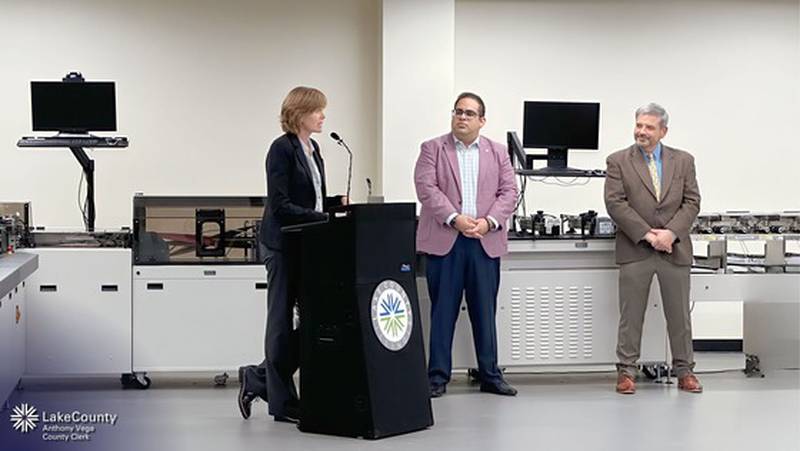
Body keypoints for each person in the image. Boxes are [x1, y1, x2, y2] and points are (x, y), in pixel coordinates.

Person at [238, 86, 347, 422]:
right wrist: (322, 216)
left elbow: (310, 201)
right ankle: (283, 403)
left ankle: (258, 377)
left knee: (316, 318)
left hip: (306, 243)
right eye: (317, 111)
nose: (322, 116)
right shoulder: (281, 149)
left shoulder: (314, 149)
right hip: (281, 245)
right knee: (281, 322)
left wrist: (333, 205)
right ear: (299, 113)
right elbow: (282, 204)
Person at [414, 92, 519, 398]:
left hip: (484, 241)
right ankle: (436, 377)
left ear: (481, 121)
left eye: (469, 113)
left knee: (484, 311)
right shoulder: (432, 148)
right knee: (442, 310)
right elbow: (426, 188)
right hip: (447, 241)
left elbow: (509, 192)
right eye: (458, 112)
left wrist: (488, 222)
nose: (462, 117)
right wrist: (454, 217)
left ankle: (490, 375)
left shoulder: (498, 152)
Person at [604, 102, 703, 395]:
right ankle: (626, 372)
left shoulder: (684, 161)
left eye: (649, 127)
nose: (641, 132)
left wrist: (671, 233)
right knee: (631, 315)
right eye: (638, 125)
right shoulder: (618, 161)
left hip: (674, 248)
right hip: (637, 248)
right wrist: (649, 235)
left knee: (679, 315)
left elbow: (692, 201)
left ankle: (685, 371)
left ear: (663, 131)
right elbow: (615, 203)